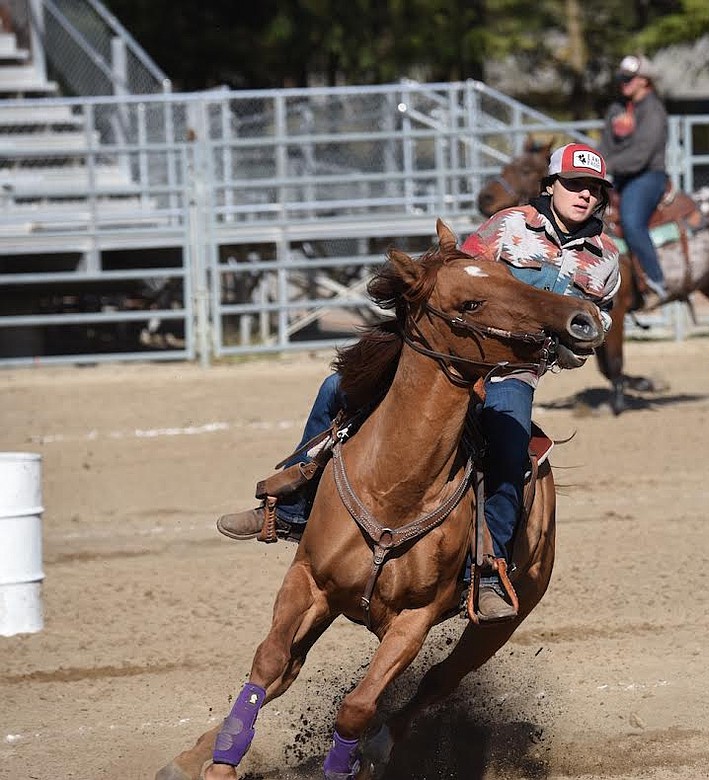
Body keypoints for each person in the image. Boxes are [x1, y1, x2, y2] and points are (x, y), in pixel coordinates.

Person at [216, 142, 621, 620]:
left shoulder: (606, 259)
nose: (584, 195)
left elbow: (601, 319)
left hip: (512, 370)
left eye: (593, 189)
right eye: (574, 184)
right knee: (337, 389)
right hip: (451, 355)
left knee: (510, 452)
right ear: (550, 186)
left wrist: (578, 346)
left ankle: (486, 571)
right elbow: (457, 276)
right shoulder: (508, 227)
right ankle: (292, 509)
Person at [598, 54, 670, 309]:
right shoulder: (617, 109)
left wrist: (608, 166)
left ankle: (656, 280)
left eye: (629, 79)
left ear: (644, 81)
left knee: (631, 220)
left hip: (648, 176)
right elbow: (605, 144)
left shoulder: (654, 111)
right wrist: (599, 165)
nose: (624, 84)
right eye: (622, 79)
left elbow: (642, 155)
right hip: (619, 176)